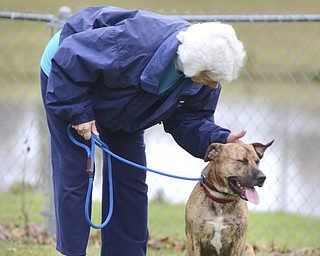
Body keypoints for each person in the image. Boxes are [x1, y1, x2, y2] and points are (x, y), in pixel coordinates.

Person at [40, 6, 246, 256]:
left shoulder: (205, 75)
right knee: (78, 172)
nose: (214, 84)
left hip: (125, 99)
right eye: (211, 77)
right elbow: (71, 58)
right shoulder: (132, 44)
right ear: (193, 66)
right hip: (68, 77)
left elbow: (190, 119)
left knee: (130, 179)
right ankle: (72, 253)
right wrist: (79, 113)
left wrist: (219, 139)